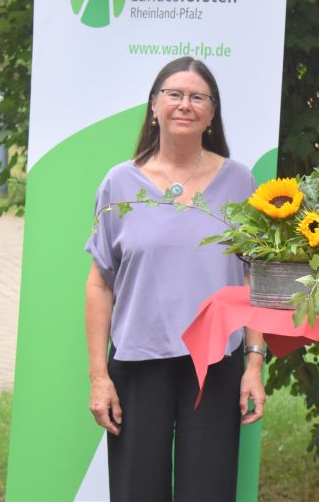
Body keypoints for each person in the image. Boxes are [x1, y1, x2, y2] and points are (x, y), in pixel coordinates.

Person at [85, 56, 266, 501]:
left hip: (215, 366)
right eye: (174, 94)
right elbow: (99, 283)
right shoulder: (118, 184)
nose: (185, 104)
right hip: (137, 362)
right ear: (154, 106)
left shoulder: (241, 183)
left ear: (211, 113)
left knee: (208, 492)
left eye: (197, 97)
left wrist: (255, 364)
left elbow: (253, 280)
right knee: (136, 491)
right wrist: (98, 377)